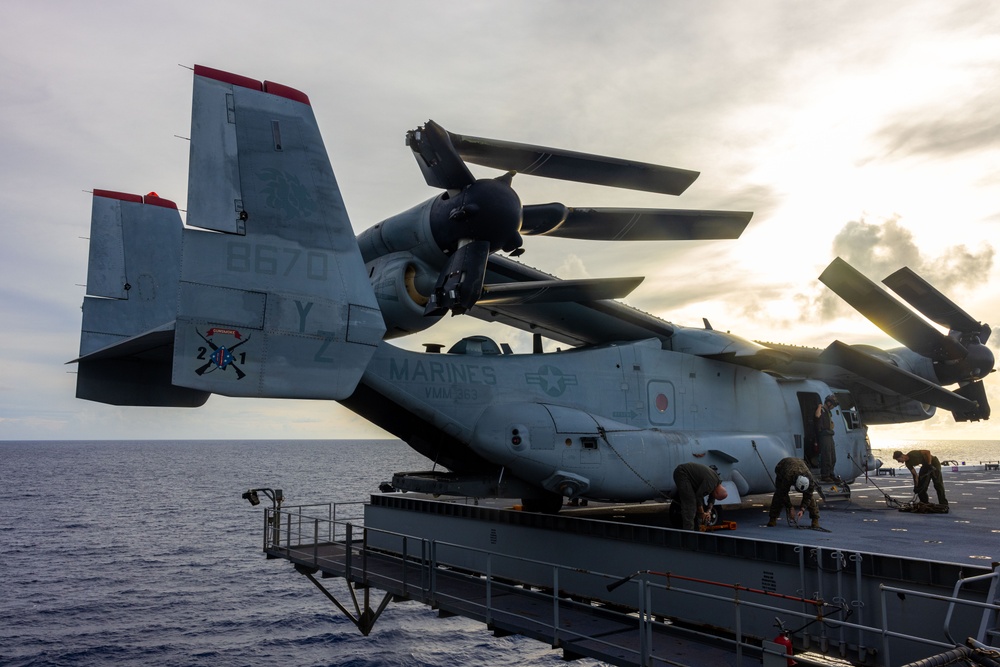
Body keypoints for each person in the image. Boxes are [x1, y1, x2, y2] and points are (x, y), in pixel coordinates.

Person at [767, 457, 821, 529]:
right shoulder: (788, 476)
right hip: (782, 466)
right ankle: (773, 518)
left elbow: (808, 496)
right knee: (779, 493)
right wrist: (790, 507)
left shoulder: (810, 481)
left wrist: (802, 509)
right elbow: (783, 493)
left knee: (810, 497)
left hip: (800, 464)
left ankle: (815, 519)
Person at [672, 462, 728, 531]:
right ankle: (688, 532)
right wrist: (702, 513)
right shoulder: (711, 483)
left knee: (699, 504)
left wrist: (708, 511)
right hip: (682, 473)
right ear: (716, 492)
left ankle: (697, 529)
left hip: (688, 476)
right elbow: (698, 497)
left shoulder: (716, 483)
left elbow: (712, 498)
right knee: (690, 504)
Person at [815, 395, 838, 482]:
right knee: (826, 456)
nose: (833, 407)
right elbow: (817, 416)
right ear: (828, 403)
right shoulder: (821, 410)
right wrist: (819, 406)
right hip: (824, 435)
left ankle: (831, 474)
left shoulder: (828, 412)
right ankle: (825, 475)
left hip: (829, 435)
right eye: (833, 405)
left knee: (832, 457)